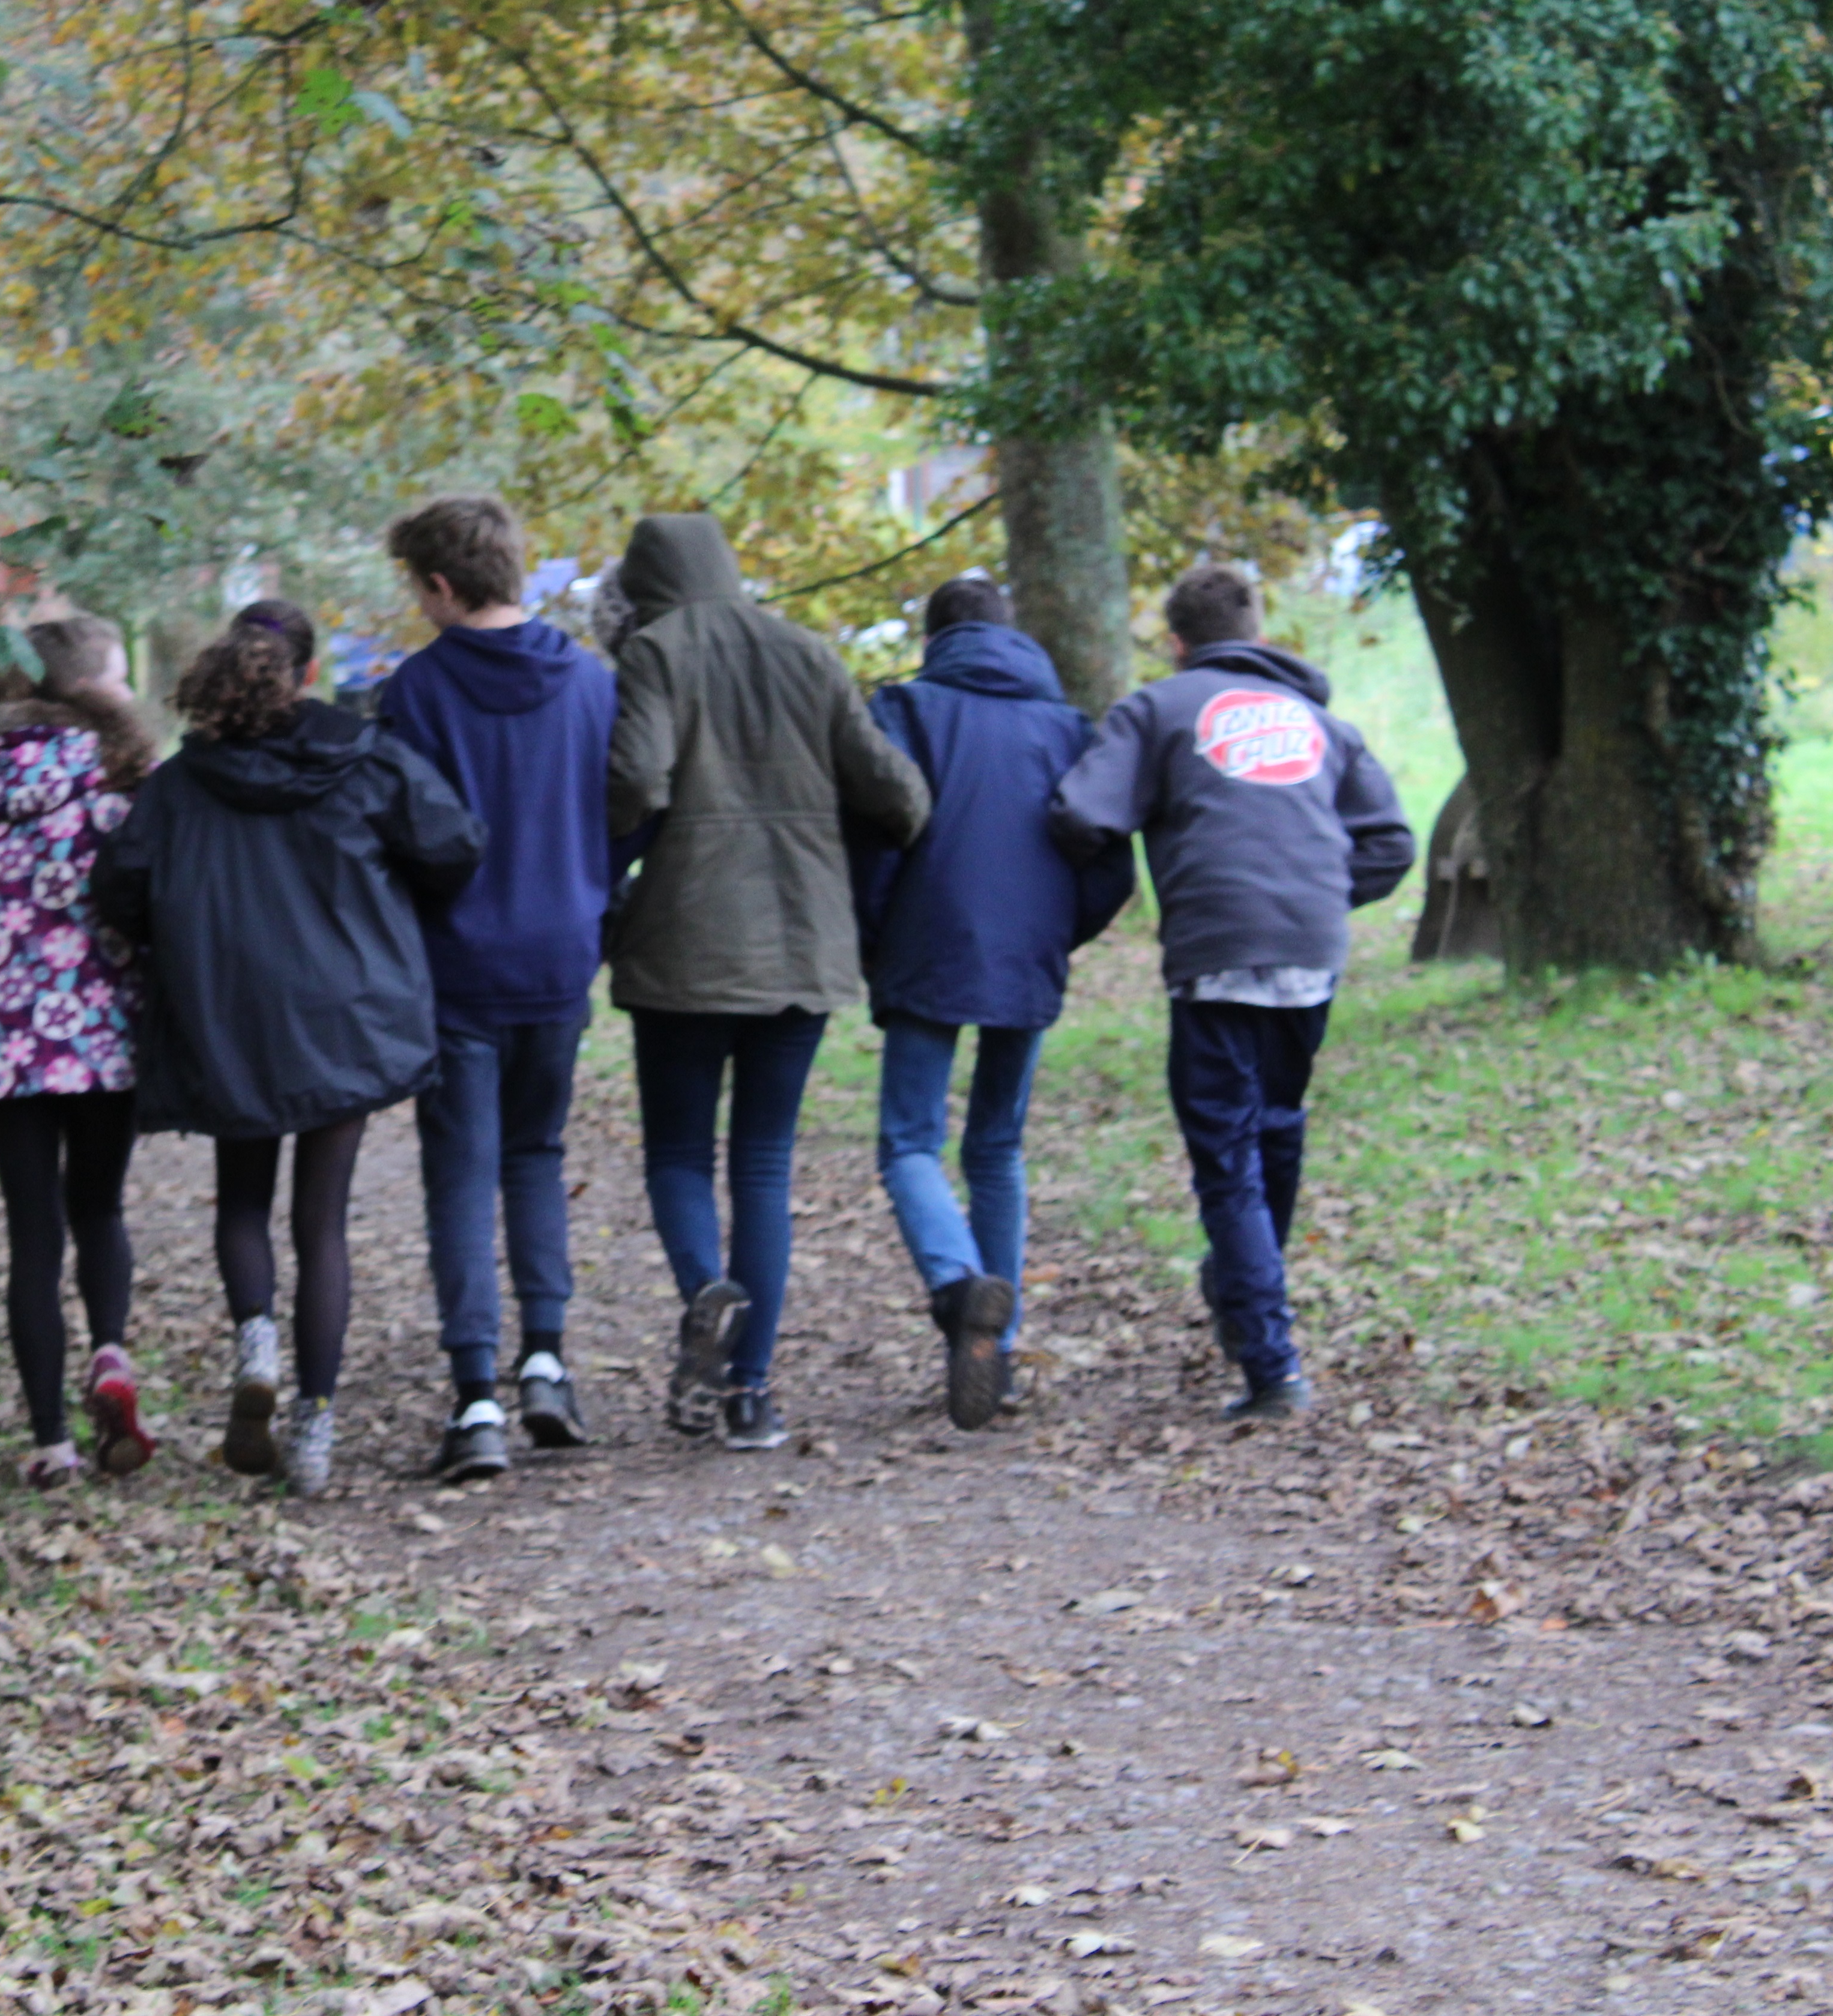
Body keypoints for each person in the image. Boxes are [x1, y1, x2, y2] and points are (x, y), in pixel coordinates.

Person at [94, 602, 485, 1497]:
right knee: (324, 1224)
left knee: (242, 1200)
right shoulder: (368, 758)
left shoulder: (181, 785)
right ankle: (313, 1428)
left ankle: (255, 1344)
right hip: (346, 1013)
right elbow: (455, 845)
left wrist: (178, 932)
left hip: (227, 1009)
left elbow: (118, 886)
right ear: (308, 673)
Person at [1051, 565, 1415, 1420]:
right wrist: (1318, 892)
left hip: (1217, 949)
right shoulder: (1323, 723)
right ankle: (1246, 1290)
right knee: (1277, 1127)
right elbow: (1390, 843)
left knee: (1226, 1155)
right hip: (1311, 947)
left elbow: (1080, 814)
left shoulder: (1156, 710)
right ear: (1257, 632)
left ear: (1177, 643)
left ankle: (1270, 1363)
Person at [605, 513, 930, 1450]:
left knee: (677, 1154)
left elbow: (638, 776)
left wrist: (609, 837)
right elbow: (898, 793)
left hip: (687, 945)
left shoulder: (657, 651)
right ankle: (752, 1395)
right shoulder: (806, 650)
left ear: (647, 585)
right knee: (764, 1165)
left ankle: (707, 1292)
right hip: (802, 942)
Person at [855, 576, 1135, 1431]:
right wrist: (1058, 934)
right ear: (1015, 636)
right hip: (1028, 954)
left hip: (927, 942)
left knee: (910, 1139)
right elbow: (1110, 863)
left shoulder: (905, 712)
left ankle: (956, 1285)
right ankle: (999, 1351)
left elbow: (877, 837)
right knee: (998, 1146)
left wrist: (876, 936)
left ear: (936, 639)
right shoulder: (1070, 728)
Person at [375, 495, 617, 1484]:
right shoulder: (591, 685)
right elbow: (627, 804)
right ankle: (546, 1364)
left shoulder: (413, 696)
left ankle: (475, 1395)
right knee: (535, 1153)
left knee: (460, 1175)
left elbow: (389, 835)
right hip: (561, 951)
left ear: (439, 584)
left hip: (456, 965)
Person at [0, 616, 160, 1489]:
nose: (132, 693)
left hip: (3, 1045)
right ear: (91, 690)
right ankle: (109, 1353)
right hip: (105, 1039)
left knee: (32, 1236)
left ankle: (51, 1441)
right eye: (122, 676)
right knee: (99, 1208)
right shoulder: (127, 779)